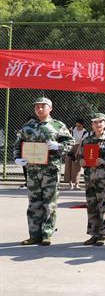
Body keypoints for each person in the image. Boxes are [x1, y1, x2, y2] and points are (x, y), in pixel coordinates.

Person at [13, 97, 74, 245]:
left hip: (50, 170)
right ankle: (34, 235)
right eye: (37, 107)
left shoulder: (58, 125)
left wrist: (58, 146)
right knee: (34, 203)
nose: (39, 109)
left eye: (43, 106)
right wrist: (17, 158)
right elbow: (18, 143)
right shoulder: (28, 126)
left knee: (49, 203)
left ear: (50, 108)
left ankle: (47, 234)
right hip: (32, 170)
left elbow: (70, 142)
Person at [77, 113, 105, 246]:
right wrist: (82, 161)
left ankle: (103, 234)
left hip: (104, 180)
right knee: (92, 206)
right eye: (95, 122)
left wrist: (104, 161)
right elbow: (79, 156)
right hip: (90, 179)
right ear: (92, 125)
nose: (98, 124)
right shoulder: (86, 140)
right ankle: (93, 234)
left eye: (100, 122)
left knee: (104, 207)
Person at [64, 118, 89, 190]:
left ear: (82, 125)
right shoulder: (72, 129)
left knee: (76, 166)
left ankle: (76, 184)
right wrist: (69, 150)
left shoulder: (85, 133)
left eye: (79, 126)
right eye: (76, 125)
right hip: (70, 147)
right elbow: (68, 137)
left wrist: (75, 155)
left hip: (78, 148)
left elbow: (81, 144)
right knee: (68, 164)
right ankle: (70, 184)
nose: (77, 127)